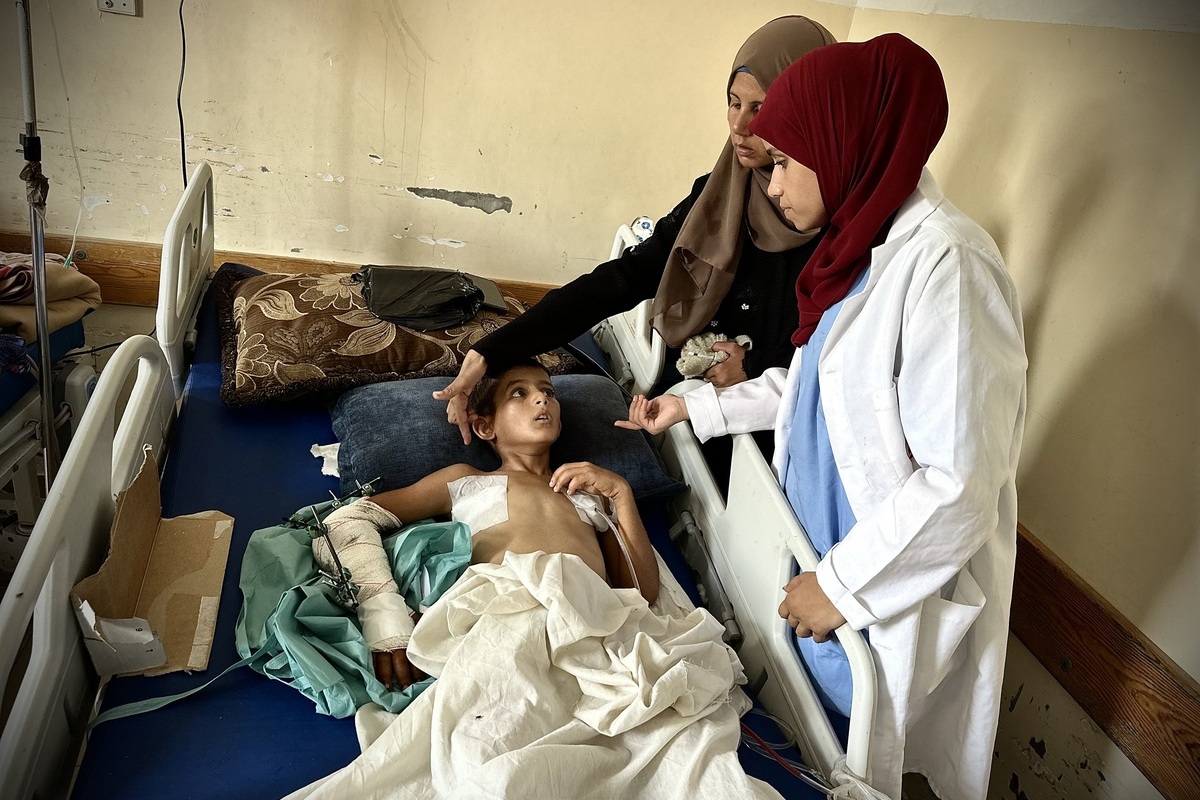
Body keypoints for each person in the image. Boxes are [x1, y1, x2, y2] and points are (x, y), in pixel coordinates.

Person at [617, 34, 1028, 800]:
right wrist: (697, 404)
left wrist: (839, 585)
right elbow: (811, 391)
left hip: (876, 583)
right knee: (820, 736)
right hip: (820, 558)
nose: (770, 186)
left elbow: (961, 482)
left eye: (782, 162)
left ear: (844, 143)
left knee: (867, 760)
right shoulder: (856, 250)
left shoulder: (952, 268)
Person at [434, 16, 836, 446]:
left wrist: (753, 367)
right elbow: (625, 278)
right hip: (688, 397)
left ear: (804, 112)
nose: (739, 126)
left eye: (761, 109)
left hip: (773, 424)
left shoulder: (837, 223)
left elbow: (834, 352)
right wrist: (492, 350)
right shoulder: (717, 195)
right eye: (734, 103)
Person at [313, 360, 661, 692]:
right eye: (518, 393)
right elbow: (348, 520)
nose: (542, 398)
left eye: (548, 391)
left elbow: (640, 593)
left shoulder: (589, 495)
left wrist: (621, 493)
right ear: (485, 426)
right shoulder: (467, 481)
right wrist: (385, 617)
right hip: (506, 628)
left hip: (590, 629)